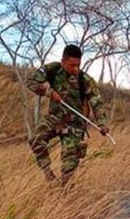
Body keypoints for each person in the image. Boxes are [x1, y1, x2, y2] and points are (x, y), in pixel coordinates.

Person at [27, 44, 109, 185]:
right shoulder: (53, 69)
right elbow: (31, 81)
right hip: (55, 118)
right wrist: (49, 92)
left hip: (75, 125)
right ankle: (49, 177)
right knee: (35, 139)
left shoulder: (85, 79)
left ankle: (65, 191)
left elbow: (97, 102)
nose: (76, 69)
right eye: (72, 65)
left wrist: (102, 123)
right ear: (63, 61)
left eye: (78, 65)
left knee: (68, 169)